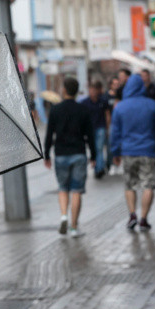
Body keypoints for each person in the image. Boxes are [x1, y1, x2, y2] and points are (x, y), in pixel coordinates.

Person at [110, 74, 155, 232]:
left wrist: (115, 152)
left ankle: (132, 215)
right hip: (148, 151)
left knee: (130, 185)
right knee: (148, 185)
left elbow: (115, 133)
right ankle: (143, 219)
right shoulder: (151, 105)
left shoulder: (120, 107)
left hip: (128, 151)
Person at [44, 77, 96, 238]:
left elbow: (49, 135)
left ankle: (63, 216)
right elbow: (90, 135)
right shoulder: (83, 110)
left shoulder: (55, 110)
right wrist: (94, 155)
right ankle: (74, 227)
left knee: (63, 188)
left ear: (64, 90)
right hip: (79, 153)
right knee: (76, 191)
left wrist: (46, 155)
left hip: (60, 154)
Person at [80, 80, 111, 178]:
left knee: (99, 148)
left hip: (100, 127)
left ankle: (99, 169)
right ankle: (99, 166)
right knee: (94, 149)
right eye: (91, 90)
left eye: (94, 90)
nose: (92, 92)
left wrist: (107, 127)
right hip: (90, 129)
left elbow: (107, 114)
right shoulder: (85, 103)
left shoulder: (103, 101)